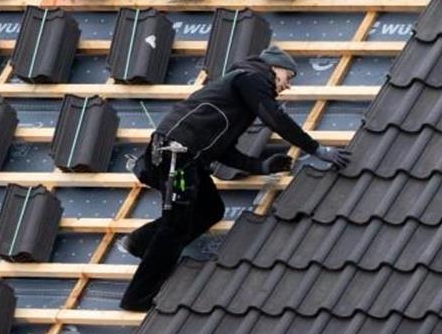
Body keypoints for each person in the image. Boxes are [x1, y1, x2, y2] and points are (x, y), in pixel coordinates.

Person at [119, 44, 351, 311]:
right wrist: (317, 149)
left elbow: (224, 151)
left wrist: (261, 166)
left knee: (211, 210)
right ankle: (136, 299)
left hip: (186, 158)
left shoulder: (237, 97)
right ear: (275, 68)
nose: (287, 86)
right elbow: (274, 117)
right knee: (176, 227)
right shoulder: (251, 77)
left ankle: (140, 242)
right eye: (288, 78)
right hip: (177, 155)